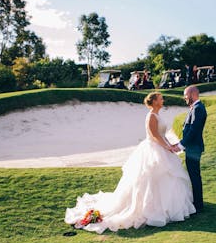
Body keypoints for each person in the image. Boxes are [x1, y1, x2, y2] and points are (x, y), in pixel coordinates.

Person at [65, 92, 195, 234]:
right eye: (160, 98)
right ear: (155, 101)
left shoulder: (158, 115)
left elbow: (162, 135)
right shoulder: (151, 116)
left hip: (163, 148)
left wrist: (171, 146)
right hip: (153, 150)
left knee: (168, 178)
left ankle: (169, 208)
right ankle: (150, 209)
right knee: (149, 179)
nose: (163, 100)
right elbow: (155, 136)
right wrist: (166, 147)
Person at [172, 85, 207, 212]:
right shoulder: (195, 108)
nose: (184, 97)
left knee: (194, 176)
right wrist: (180, 143)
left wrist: (181, 145)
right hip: (191, 147)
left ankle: (198, 205)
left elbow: (193, 130)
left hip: (193, 148)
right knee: (193, 175)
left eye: (186, 95)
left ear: (193, 94)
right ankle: (197, 202)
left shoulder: (198, 108)